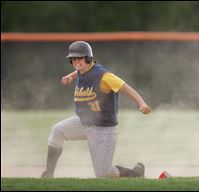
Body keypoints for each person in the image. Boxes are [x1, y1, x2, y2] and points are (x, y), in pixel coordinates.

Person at [41, 41, 151, 178]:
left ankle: (136, 173)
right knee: (57, 130)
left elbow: (126, 88)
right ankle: (48, 173)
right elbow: (79, 70)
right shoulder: (82, 71)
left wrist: (142, 104)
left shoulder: (104, 76)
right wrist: (70, 76)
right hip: (83, 123)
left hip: (103, 129)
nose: (76, 61)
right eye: (73, 58)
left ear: (88, 58)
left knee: (104, 174)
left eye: (79, 58)